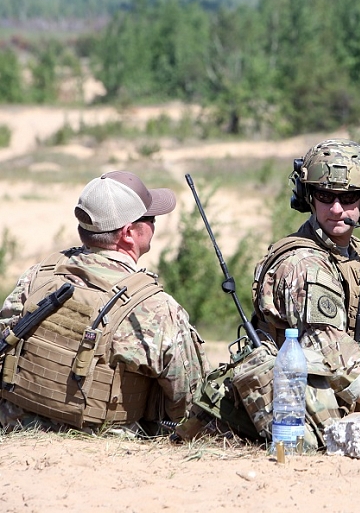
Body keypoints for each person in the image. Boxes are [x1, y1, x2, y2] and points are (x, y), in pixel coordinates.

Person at [0, 171, 210, 435]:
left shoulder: (37, 277)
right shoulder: (157, 308)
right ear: (128, 233)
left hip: (15, 430)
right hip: (105, 447)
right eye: (151, 219)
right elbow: (189, 402)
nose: (155, 226)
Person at [252, 139, 360, 447]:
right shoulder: (305, 264)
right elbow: (336, 357)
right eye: (325, 195)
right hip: (298, 415)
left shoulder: (354, 253)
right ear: (308, 196)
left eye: (349, 198)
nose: (336, 209)